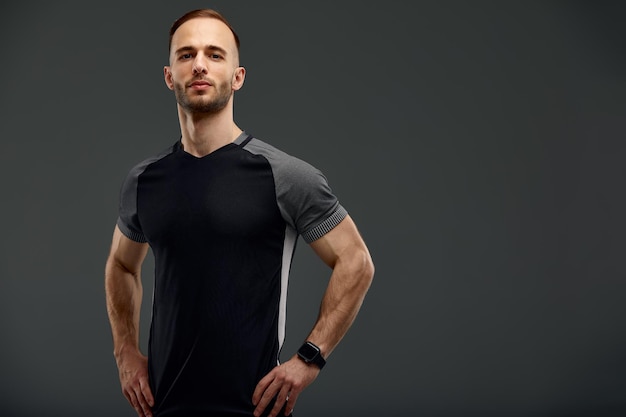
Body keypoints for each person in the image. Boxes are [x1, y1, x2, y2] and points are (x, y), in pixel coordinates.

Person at [104, 8, 374, 417]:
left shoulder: (284, 175)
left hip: (252, 409)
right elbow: (121, 266)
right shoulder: (143, 180)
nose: (199, 65)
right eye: (186, 54)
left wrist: (309, 359)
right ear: (168, 75)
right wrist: (125, 351)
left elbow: (356, 262)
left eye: (215, 54)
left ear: (237, 76)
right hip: (164, 406)